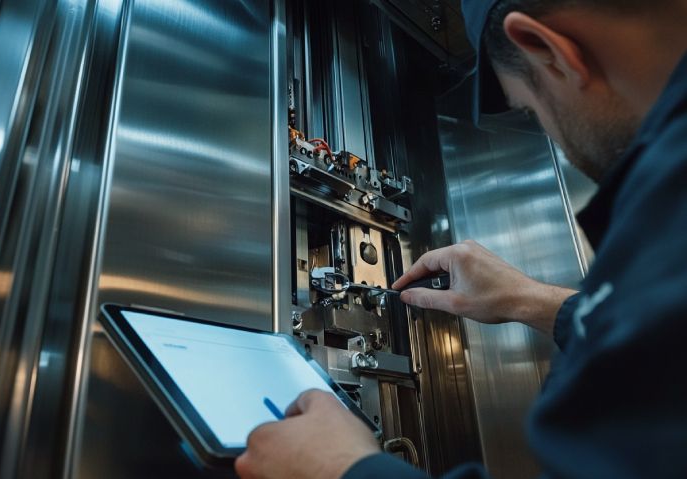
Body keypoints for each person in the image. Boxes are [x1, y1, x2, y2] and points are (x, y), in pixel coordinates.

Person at [236, 0, 687, 477]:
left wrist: (342, 470)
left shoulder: (666, 203)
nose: (558, 139)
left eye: (530, 109)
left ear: (546, 49)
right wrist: (532, 301)